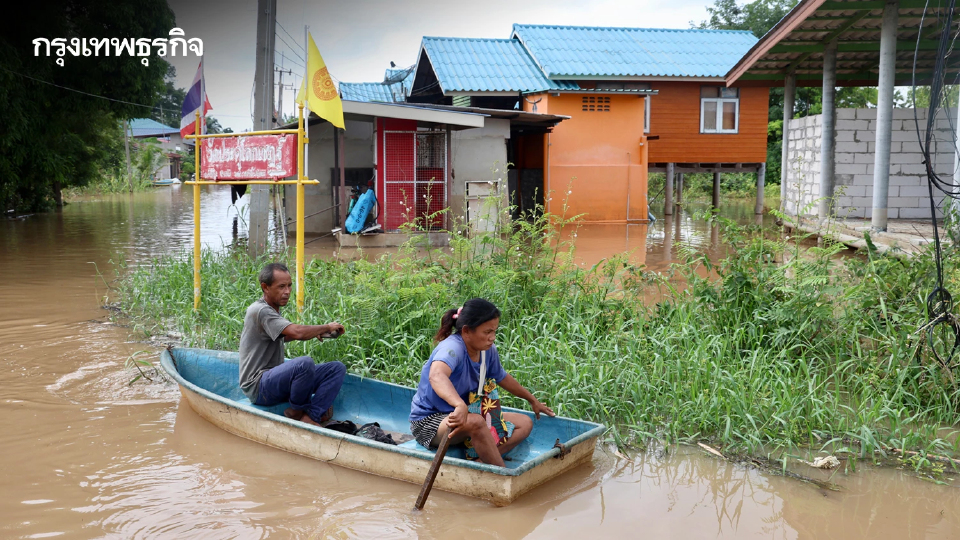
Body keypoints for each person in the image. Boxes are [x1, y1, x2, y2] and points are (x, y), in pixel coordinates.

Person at [409, 298, 555, 466]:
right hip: (430, 423)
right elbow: (436, 375)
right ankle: (501, 473)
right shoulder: (452, 349)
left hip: (467, 415)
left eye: (494, 331)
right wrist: (459, 405)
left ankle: (484, 460)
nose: (492, 337)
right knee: (477, 422)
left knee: (524, 423)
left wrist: (532, 400)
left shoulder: (486, 351)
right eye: (487, 332)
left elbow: (502, 377)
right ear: (466, 331)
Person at [239, 262, 346, 426]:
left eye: (289, 286)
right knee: (304, 364)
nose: (287, 292)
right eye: (281, 286)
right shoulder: (261, 310)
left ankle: (311, 416)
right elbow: (297, 332)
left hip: (275, 381)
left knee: (336, 368)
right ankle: (296, 411)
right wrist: (325, 327)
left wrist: (318, 332)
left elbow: (286, 336)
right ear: (265, 287)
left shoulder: (272, 308)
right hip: (259, 386)